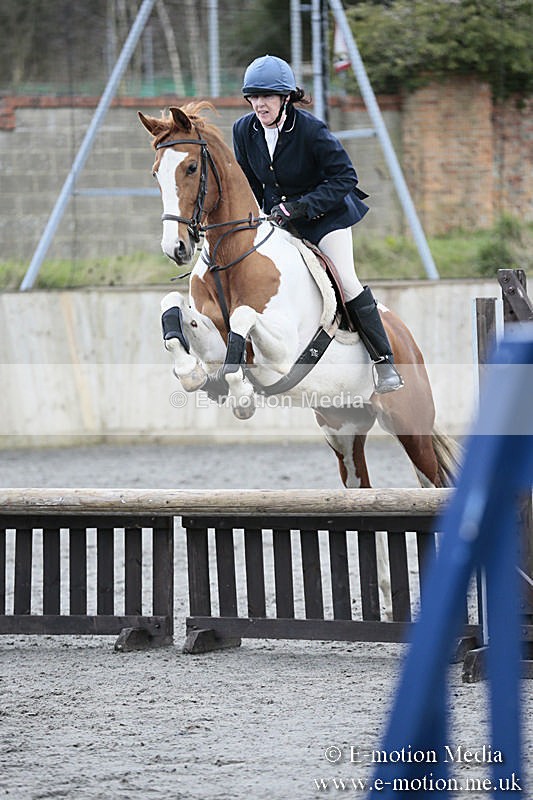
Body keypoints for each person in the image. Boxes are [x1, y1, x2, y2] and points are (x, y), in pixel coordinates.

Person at [232, 54, 403, 394]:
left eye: (267, 96)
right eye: (254, 96)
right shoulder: (244, 129)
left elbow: (345, 177)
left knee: (346, 280)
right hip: (278, 219)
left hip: (327, 217)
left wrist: (297, 208)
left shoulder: (311, 129)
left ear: (285, 98)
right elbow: (249, 183)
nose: (259, 104)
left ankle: (384, 363)